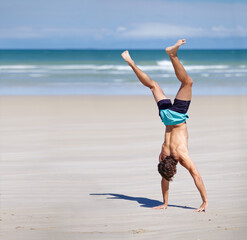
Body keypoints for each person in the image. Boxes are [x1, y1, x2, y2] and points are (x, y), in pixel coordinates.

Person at [121, 39, 208, 212]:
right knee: (153, 86)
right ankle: (131, 63)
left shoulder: (180, 156)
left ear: (174, 168)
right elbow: (164, 177)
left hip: (178, 116)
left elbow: (196, 176)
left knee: (187, 82)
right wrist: (165, 202)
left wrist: (204, 201)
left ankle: (172, 55)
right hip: (166, 118)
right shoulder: (163, 156)